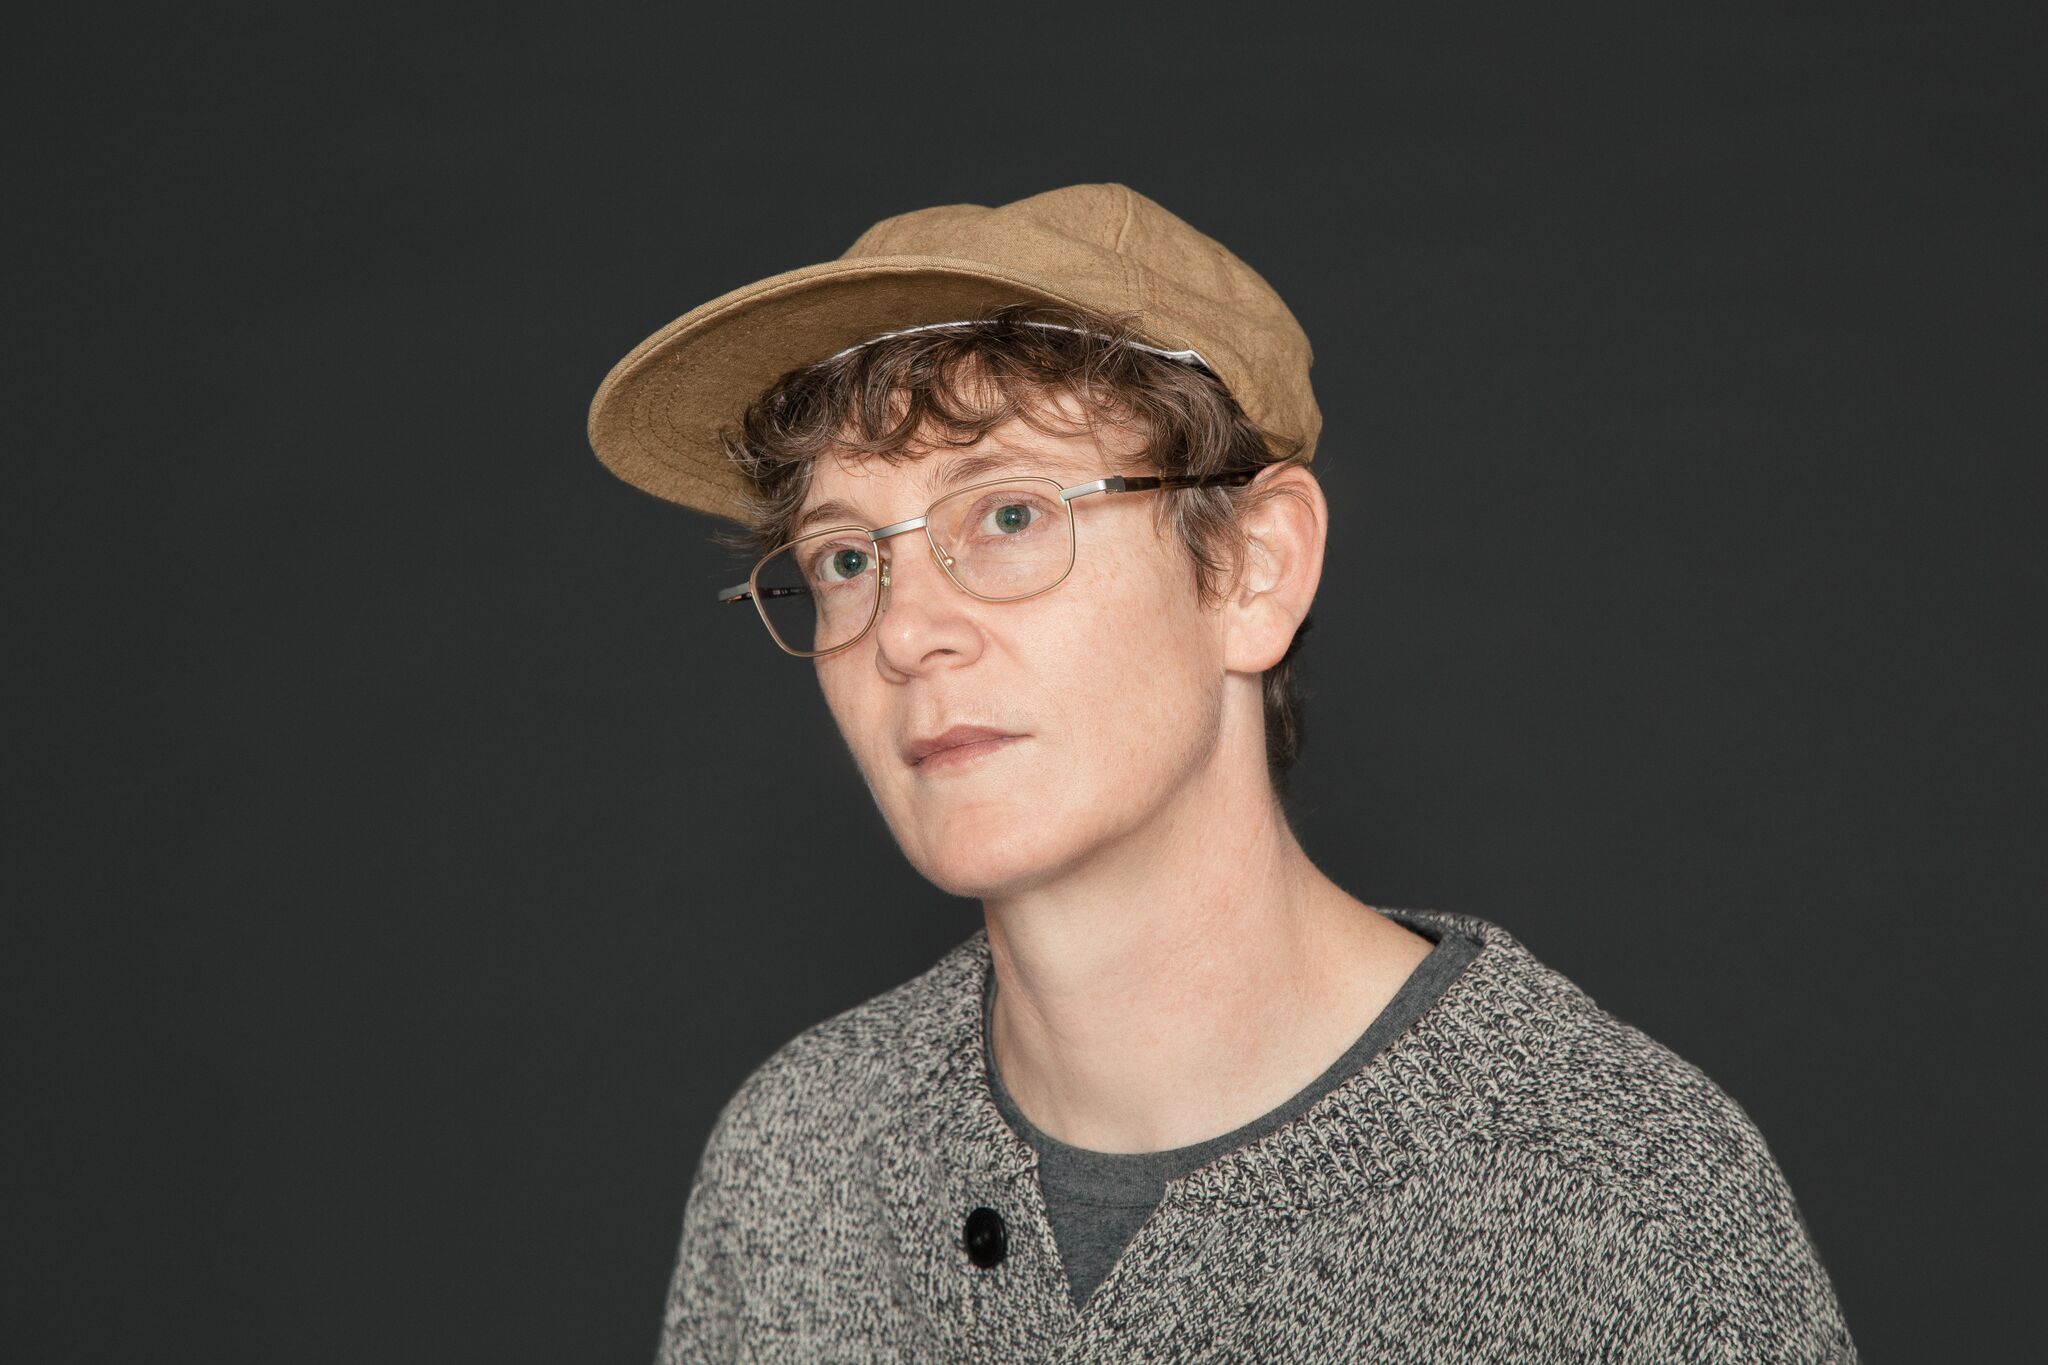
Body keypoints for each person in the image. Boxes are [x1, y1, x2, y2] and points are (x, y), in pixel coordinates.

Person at [584, 183, 1857, 1362]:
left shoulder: (1615, 1201)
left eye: (1010, 514)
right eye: (846, 558)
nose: (905, 630)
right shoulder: (796, 1157)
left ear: (1252, 570)